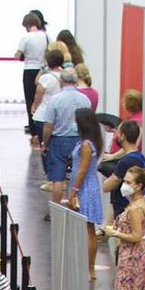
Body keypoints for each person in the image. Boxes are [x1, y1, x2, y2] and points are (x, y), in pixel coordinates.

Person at [61, 108, 105, 283]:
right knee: (88, 228)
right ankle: (87, 266)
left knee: (88, 229)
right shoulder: (89, 142)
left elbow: (82, 170)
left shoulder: (86, 145)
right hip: (86, 186)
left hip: (85, 188)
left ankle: (89, 267)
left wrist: (73, 192)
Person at [41, 66, 91, 208]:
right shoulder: (85, 100)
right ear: (75, 81)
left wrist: (45, 142)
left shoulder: (55, 100)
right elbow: (87, 122)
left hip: (58, 140)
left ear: (61, 81)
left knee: (58, 177)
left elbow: (48, 125)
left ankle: (57, 209)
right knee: (78, 173)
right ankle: (76, 205)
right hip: (78, 140)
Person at [16, 12, 50, 134]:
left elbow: (17, 55)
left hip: (29, 70)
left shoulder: (26, 37)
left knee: (30, 100)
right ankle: (42, 126)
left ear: (27, 25)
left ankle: (33, 128)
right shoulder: (46, 36)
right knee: (42, 99)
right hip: (43, 70)